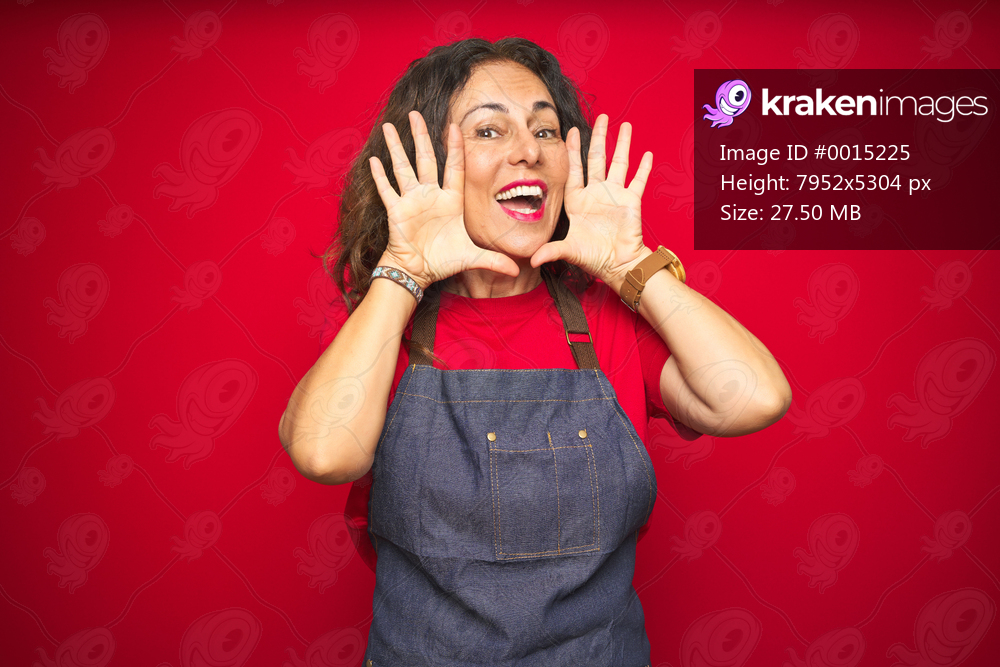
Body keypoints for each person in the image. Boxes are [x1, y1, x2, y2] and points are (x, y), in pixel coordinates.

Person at [279, 37, 791, 666]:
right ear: (431, 163)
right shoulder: (388, 328)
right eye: (489, 131)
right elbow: (324, 452)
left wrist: (628, 264)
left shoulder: (610, 323)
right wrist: (404, 269)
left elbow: (755, 398)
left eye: (546, 131)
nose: (529, 150)